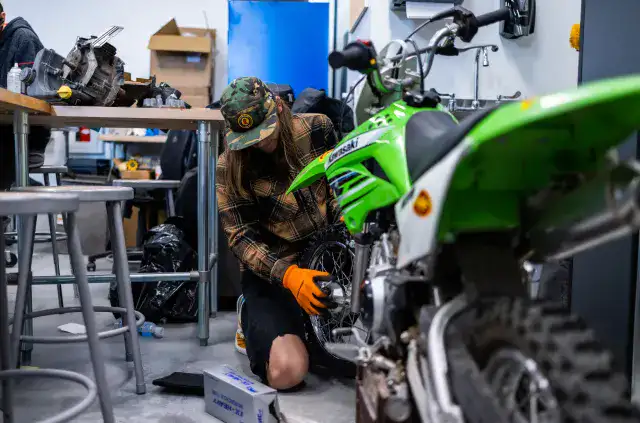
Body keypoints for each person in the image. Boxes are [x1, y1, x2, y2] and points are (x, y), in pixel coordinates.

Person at [217, 77, 340, 390]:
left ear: (280, 107)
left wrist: (348, 244)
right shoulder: (229, 166)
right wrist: (289, 276)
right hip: (274, 275)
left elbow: (339, 188)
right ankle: (250, 312)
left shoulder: (318, 129)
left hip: (329, 260)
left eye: (263, 132)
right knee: (288, 371)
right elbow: (240, 238)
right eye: (248, 138)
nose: (258, 143)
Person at [0, 1, 51, 194]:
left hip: (26, 135)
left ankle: (14, 199)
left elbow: (28, 97)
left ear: (3, 19)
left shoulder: (23, 40)